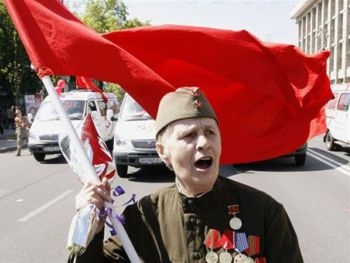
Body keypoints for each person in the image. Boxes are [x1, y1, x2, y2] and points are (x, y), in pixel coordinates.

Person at [68, 87, 303, 263]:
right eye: (189, 135)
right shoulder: (142, 218)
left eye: (210, 132)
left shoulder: (264, 213)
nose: (204, 143)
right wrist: (89, 227)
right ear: (162, 152)